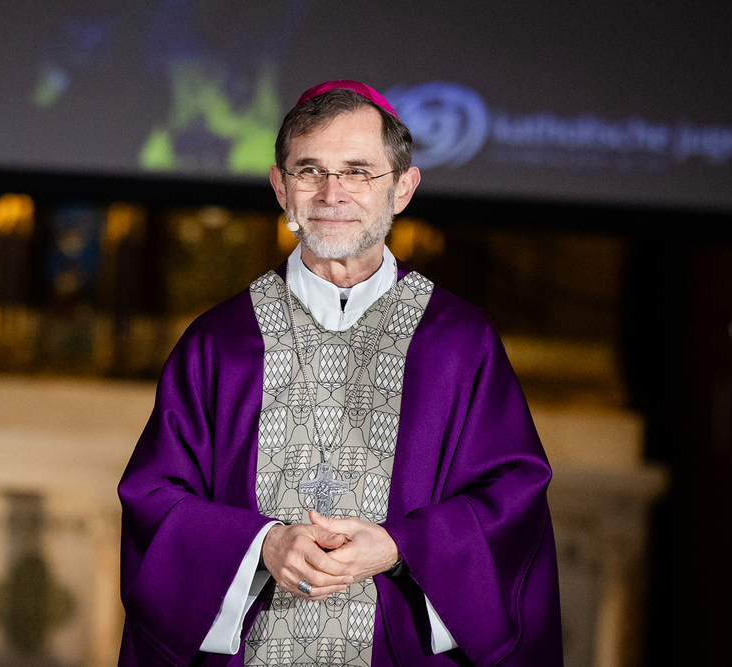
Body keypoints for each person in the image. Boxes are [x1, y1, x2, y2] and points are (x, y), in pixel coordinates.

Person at [118, 80, 563, 666]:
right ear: (280, 187)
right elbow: (154, 499)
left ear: (402, 188)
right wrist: (261, 546)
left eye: (358, 171)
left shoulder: (458, 343)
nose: (332, 193)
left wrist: (400, 547)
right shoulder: (219, 343)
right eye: (310, 171)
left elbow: (511, 499)